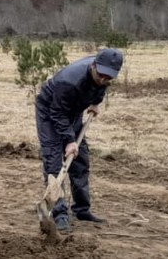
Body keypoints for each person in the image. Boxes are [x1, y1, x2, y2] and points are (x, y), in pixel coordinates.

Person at [36, 48, 123, 233]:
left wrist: (95, 102)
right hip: (50, 110)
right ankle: (59, 214)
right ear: (93, 66)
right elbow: (57, 113)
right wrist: (69, 140)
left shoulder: (104, 73)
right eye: (100, 75)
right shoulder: (69, 81)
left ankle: (81, 210)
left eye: (108, 78)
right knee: (53, 162)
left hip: (73, 110)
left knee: (80, 160)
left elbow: (100, 88)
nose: (103, 80)